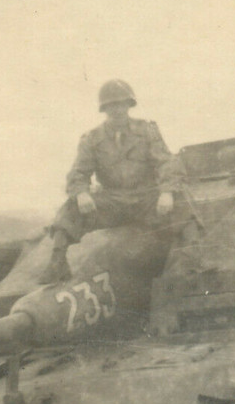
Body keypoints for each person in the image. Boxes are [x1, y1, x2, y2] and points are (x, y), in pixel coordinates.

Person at [41, 79, 187, 284]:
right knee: (70, 209)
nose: (117, 110)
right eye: (111, 106)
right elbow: (78, 173)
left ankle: (190, 265)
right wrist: (81, 193)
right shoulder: (91, 139)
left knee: (183, 204)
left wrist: (167, 192)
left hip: (146, 199)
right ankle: (57, 263)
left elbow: (166, 162)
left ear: (129, 105)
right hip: (112, 202)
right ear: (104, 109)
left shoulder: (147, 130)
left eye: (121, 104)